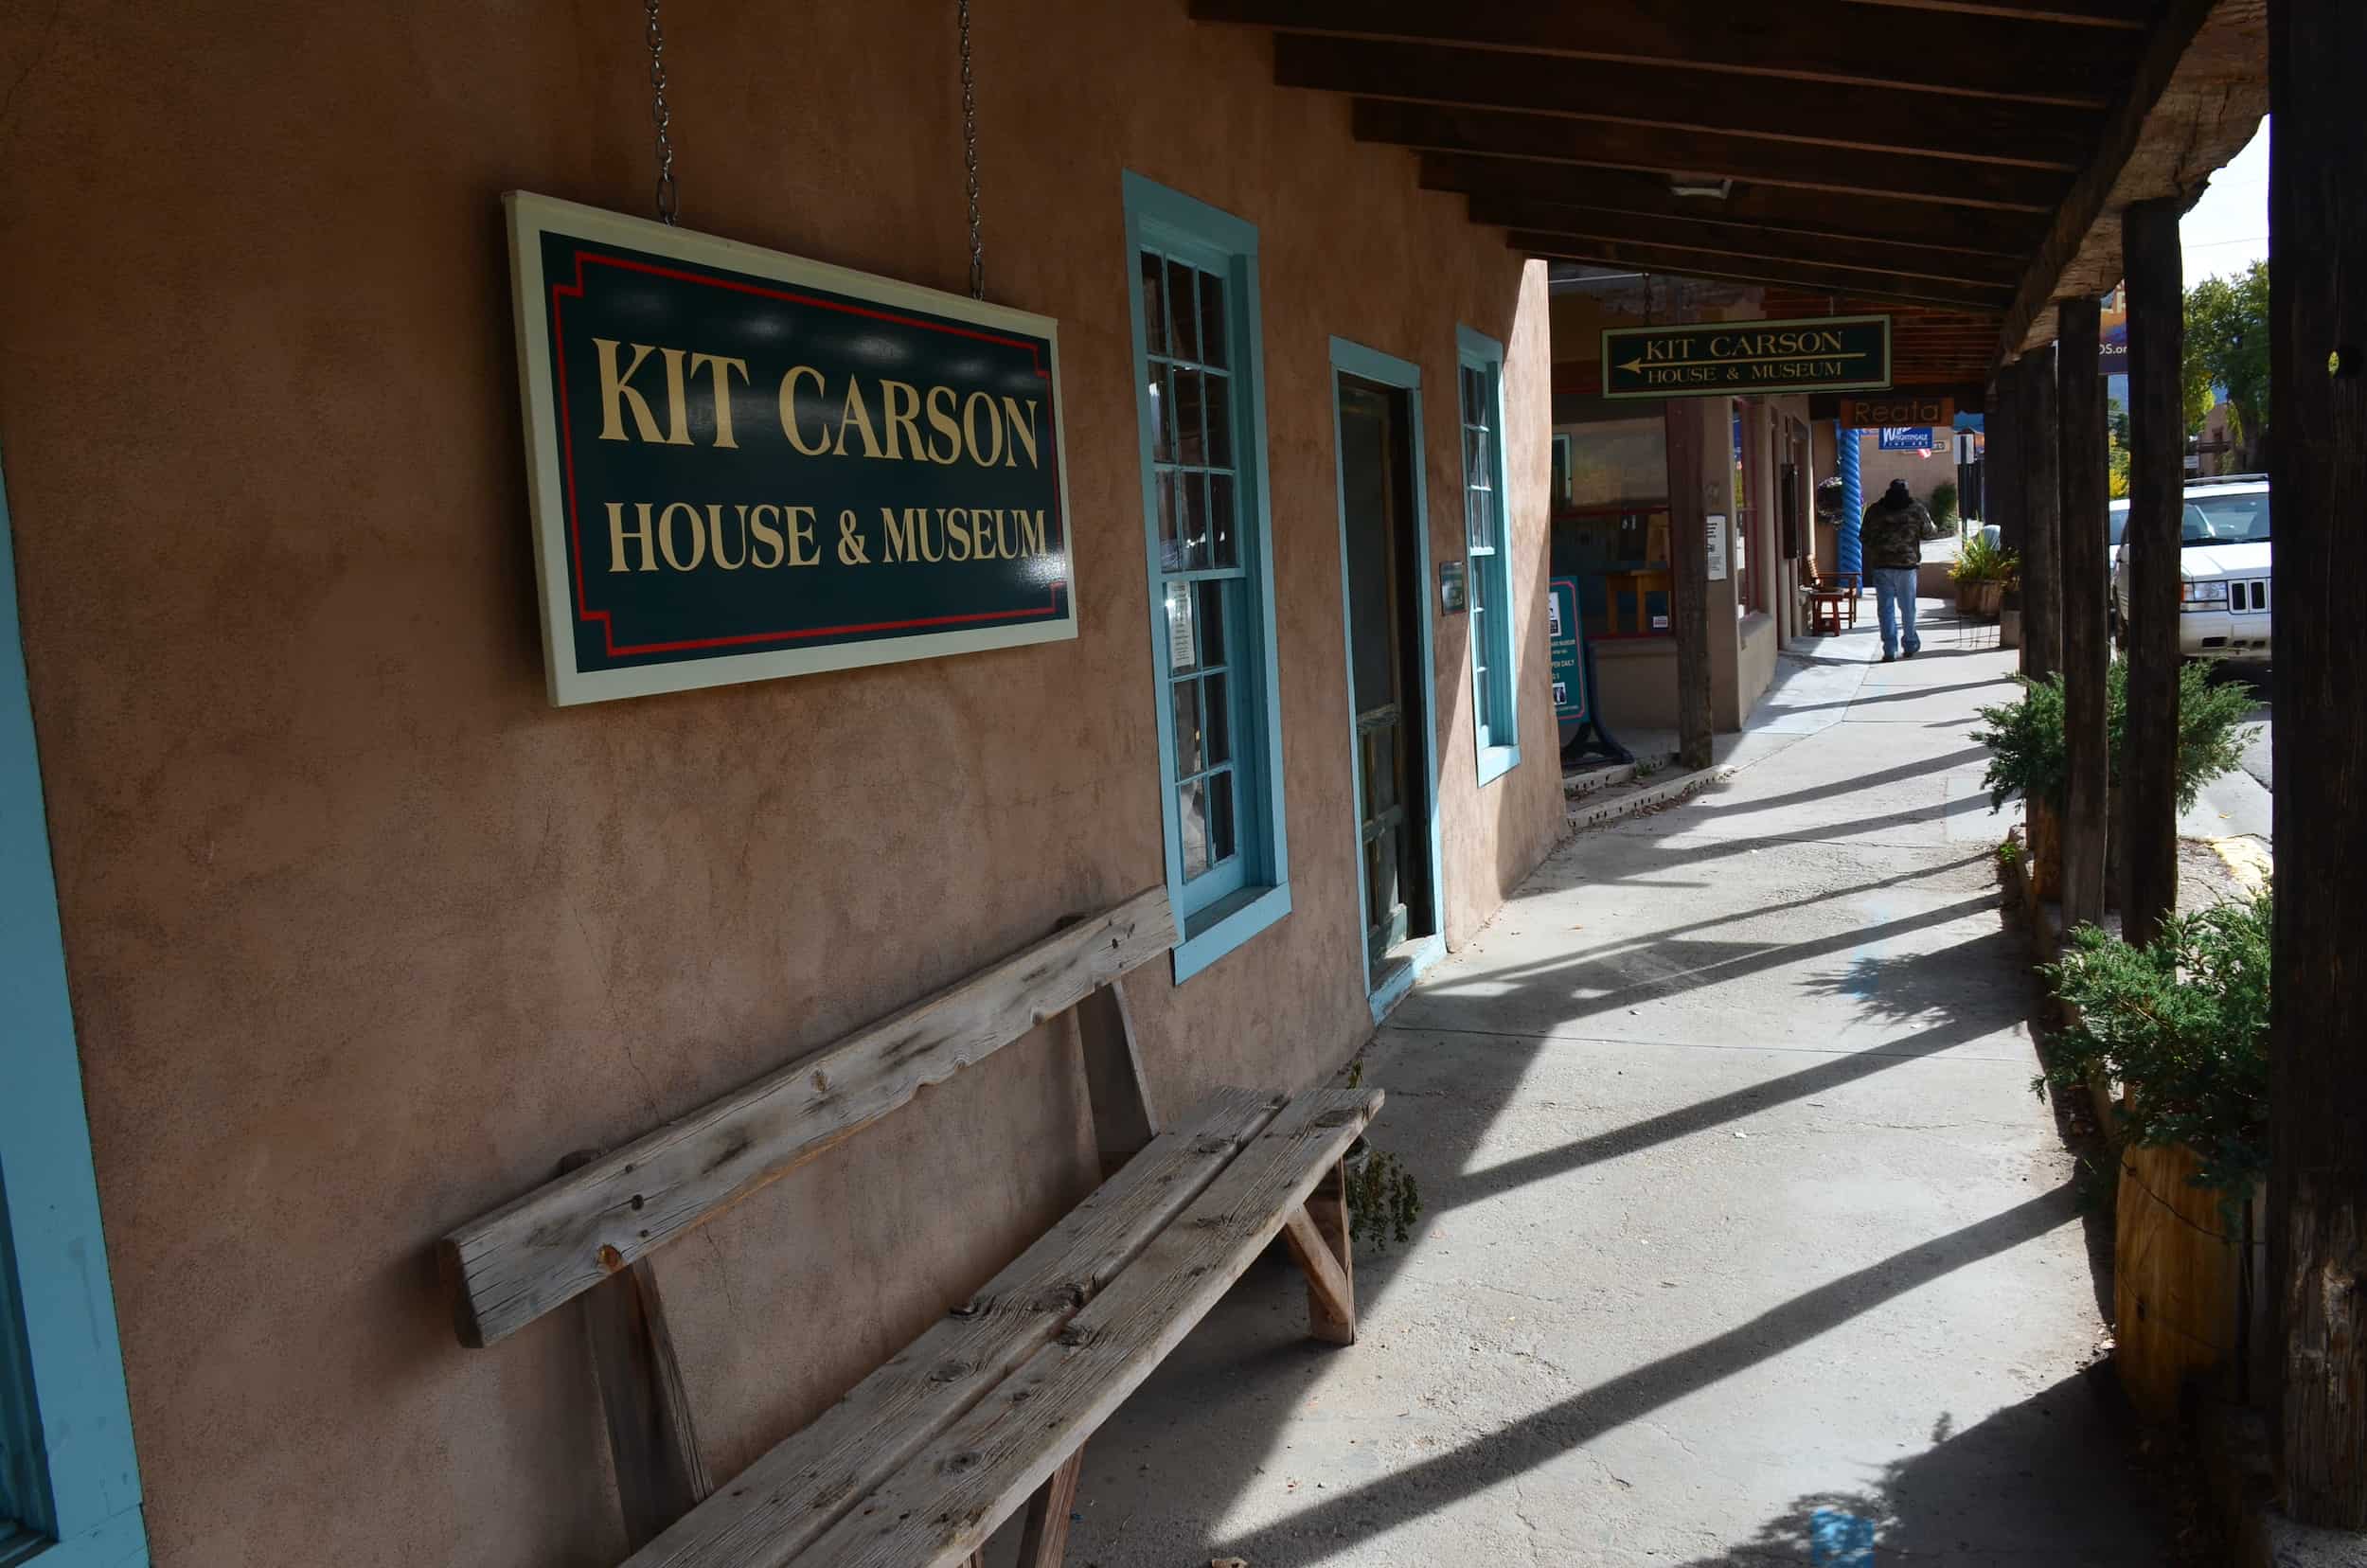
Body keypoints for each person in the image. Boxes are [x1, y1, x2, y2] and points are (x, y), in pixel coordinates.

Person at [1860, 478, 1931, 661]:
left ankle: (1889, 649)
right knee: (1908, 608)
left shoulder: (1875, 510)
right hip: (1907, 566)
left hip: (1882, 565)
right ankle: (1910, 643)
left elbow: (1864, 536)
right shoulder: (1916, 509)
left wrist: (1879, 548)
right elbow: (1929, 532)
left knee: (1885, 609)